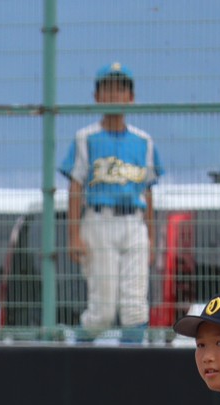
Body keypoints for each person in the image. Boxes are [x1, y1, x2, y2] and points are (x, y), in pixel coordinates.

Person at [60, 62, 163, 345]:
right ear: (96, 96)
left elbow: (148, 191)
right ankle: (75, 357)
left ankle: (131, 376)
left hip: (134, 222)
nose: (114, 95)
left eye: (120, 89)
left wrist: (151, 237)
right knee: (102, 313)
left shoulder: (144, 141)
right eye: (107, 89)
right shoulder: (86, 138)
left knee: (135, 309)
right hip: (99, 220)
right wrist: (73, 235)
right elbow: (76, 186)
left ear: (131, 97)